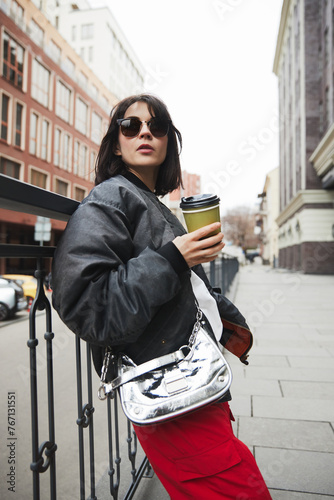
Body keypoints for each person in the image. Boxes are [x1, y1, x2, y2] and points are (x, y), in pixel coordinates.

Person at [52, 93, 272, 500]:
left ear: (169, 140)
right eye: (130, 126)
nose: (145, 133)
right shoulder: (109, 198)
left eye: (157, 127)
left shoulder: (152, 202)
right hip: (169, 390)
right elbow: (85, 304)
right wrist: (175, 257)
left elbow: (180, 287)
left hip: (192, 381)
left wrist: (224, 316)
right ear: (115, 142)